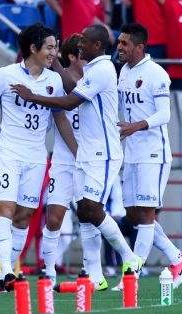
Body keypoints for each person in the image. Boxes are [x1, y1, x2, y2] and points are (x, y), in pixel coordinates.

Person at [10, 24, 143, 287]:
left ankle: (130, 258)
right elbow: (72, 86)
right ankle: (94, 276)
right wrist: (57, 65)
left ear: (96, 45)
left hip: (102, 154)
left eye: (84, 42)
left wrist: (32, 96)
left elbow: (70, 101)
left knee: (92, 209)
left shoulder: (103, 69)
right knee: (85, 212)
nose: (80, 46)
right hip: (86, 155)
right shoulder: (94, 70)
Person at [0, 23, 77, 293]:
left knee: (23, 217)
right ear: (33, 48)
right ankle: (8, 271)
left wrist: (77, 152)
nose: (53, 53)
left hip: (36, 156)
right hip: (9, 151)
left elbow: (60, 119)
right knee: (6, 210)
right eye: (49, 47)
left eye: (56, 47)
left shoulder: (54, 80)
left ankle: (3, 277)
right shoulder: (5, 75)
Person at [115, 23, 182, 290]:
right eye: (119, 42)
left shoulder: (156, 74)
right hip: (132, 153)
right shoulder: (123, 71)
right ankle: (177, 257)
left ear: (139, 47)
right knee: (134, 215)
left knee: (146, 213)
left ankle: (132, 274)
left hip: (153, 152)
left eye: (125, 43)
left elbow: (164, 115)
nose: (120, 47)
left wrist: (134, 126)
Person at [40, 33, 108, 290]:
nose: (87, 57)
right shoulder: (59, 82)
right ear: (72, 57)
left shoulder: (96, 79)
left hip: (90, 160)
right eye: (82, 52)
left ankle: (96, 273)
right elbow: (61, 117)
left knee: (90, 216)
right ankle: (48, 274)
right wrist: (76, 151)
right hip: (65, 160)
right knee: (54, 218)